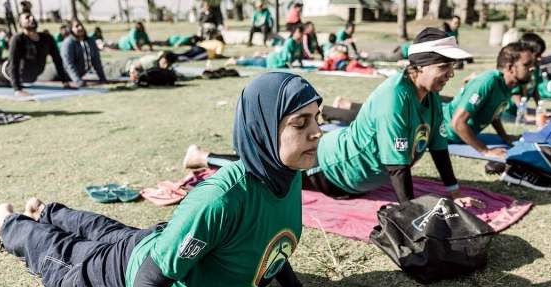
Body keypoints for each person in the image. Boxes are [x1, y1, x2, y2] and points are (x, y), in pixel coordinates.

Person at [0, 72, 355, 287]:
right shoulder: (222, 198)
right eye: (300, 122)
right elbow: (149, 284)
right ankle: (8, 222)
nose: (317, 131)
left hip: (162, 243)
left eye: (317, 119)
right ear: (262, 129)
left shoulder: (286, 174)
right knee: (63, 254)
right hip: (127, 276)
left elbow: (270, 245)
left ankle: (48, 211)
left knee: (110, 232)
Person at [188, 28, 483, 207]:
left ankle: (205, 155)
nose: (451, 74)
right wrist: (415, 212)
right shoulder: (396, 97)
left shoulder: (428, 96)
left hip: (344, 157)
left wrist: (453, 192)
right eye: (445, 66)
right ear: (421, 65)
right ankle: (203, 156)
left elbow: (439, 146)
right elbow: (397, 168)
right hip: (330, 170)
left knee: (270, 165)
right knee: (264, 169)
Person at [442, 42, 536, 159]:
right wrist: (485, 151)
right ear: (510, 67)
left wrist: (505, 136)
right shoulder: (488, 82)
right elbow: (457, 123)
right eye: (526, 65)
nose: (532, 68)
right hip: (439, 129)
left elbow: (493, 114)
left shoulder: (508, 86)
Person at [0, 12, 71, 97]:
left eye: (32, 16)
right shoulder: (17, 39)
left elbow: (57, 60)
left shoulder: (47, 38)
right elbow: (13, 64)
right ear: (20, 24)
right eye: (27, 17)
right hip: (5, 74)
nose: (31, 18)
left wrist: (65, 82)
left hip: (25, 79)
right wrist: (17, 90)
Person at [38, 19, 106, 87]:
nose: (80, 28)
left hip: (72, 77)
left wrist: (102, 78)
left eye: (81, 25)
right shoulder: (68, 43)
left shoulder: (90, 41)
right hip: (54, 74)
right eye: (76, 26)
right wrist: (77, 80)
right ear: (71, 30)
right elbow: (68, 64)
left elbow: (96, 61)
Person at [230, 25, 304, 69]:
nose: (300, 35)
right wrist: (292, 68)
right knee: (252, 62)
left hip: (277, 60)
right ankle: (235, 61)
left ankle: (255, 55)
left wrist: (301, 65)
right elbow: (287, 57)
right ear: (295, 33)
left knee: (255, 60)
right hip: (272, 61)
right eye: (299, 33)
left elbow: (300, 55)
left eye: (301, 33)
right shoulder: (290, 42)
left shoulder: (300, 43)